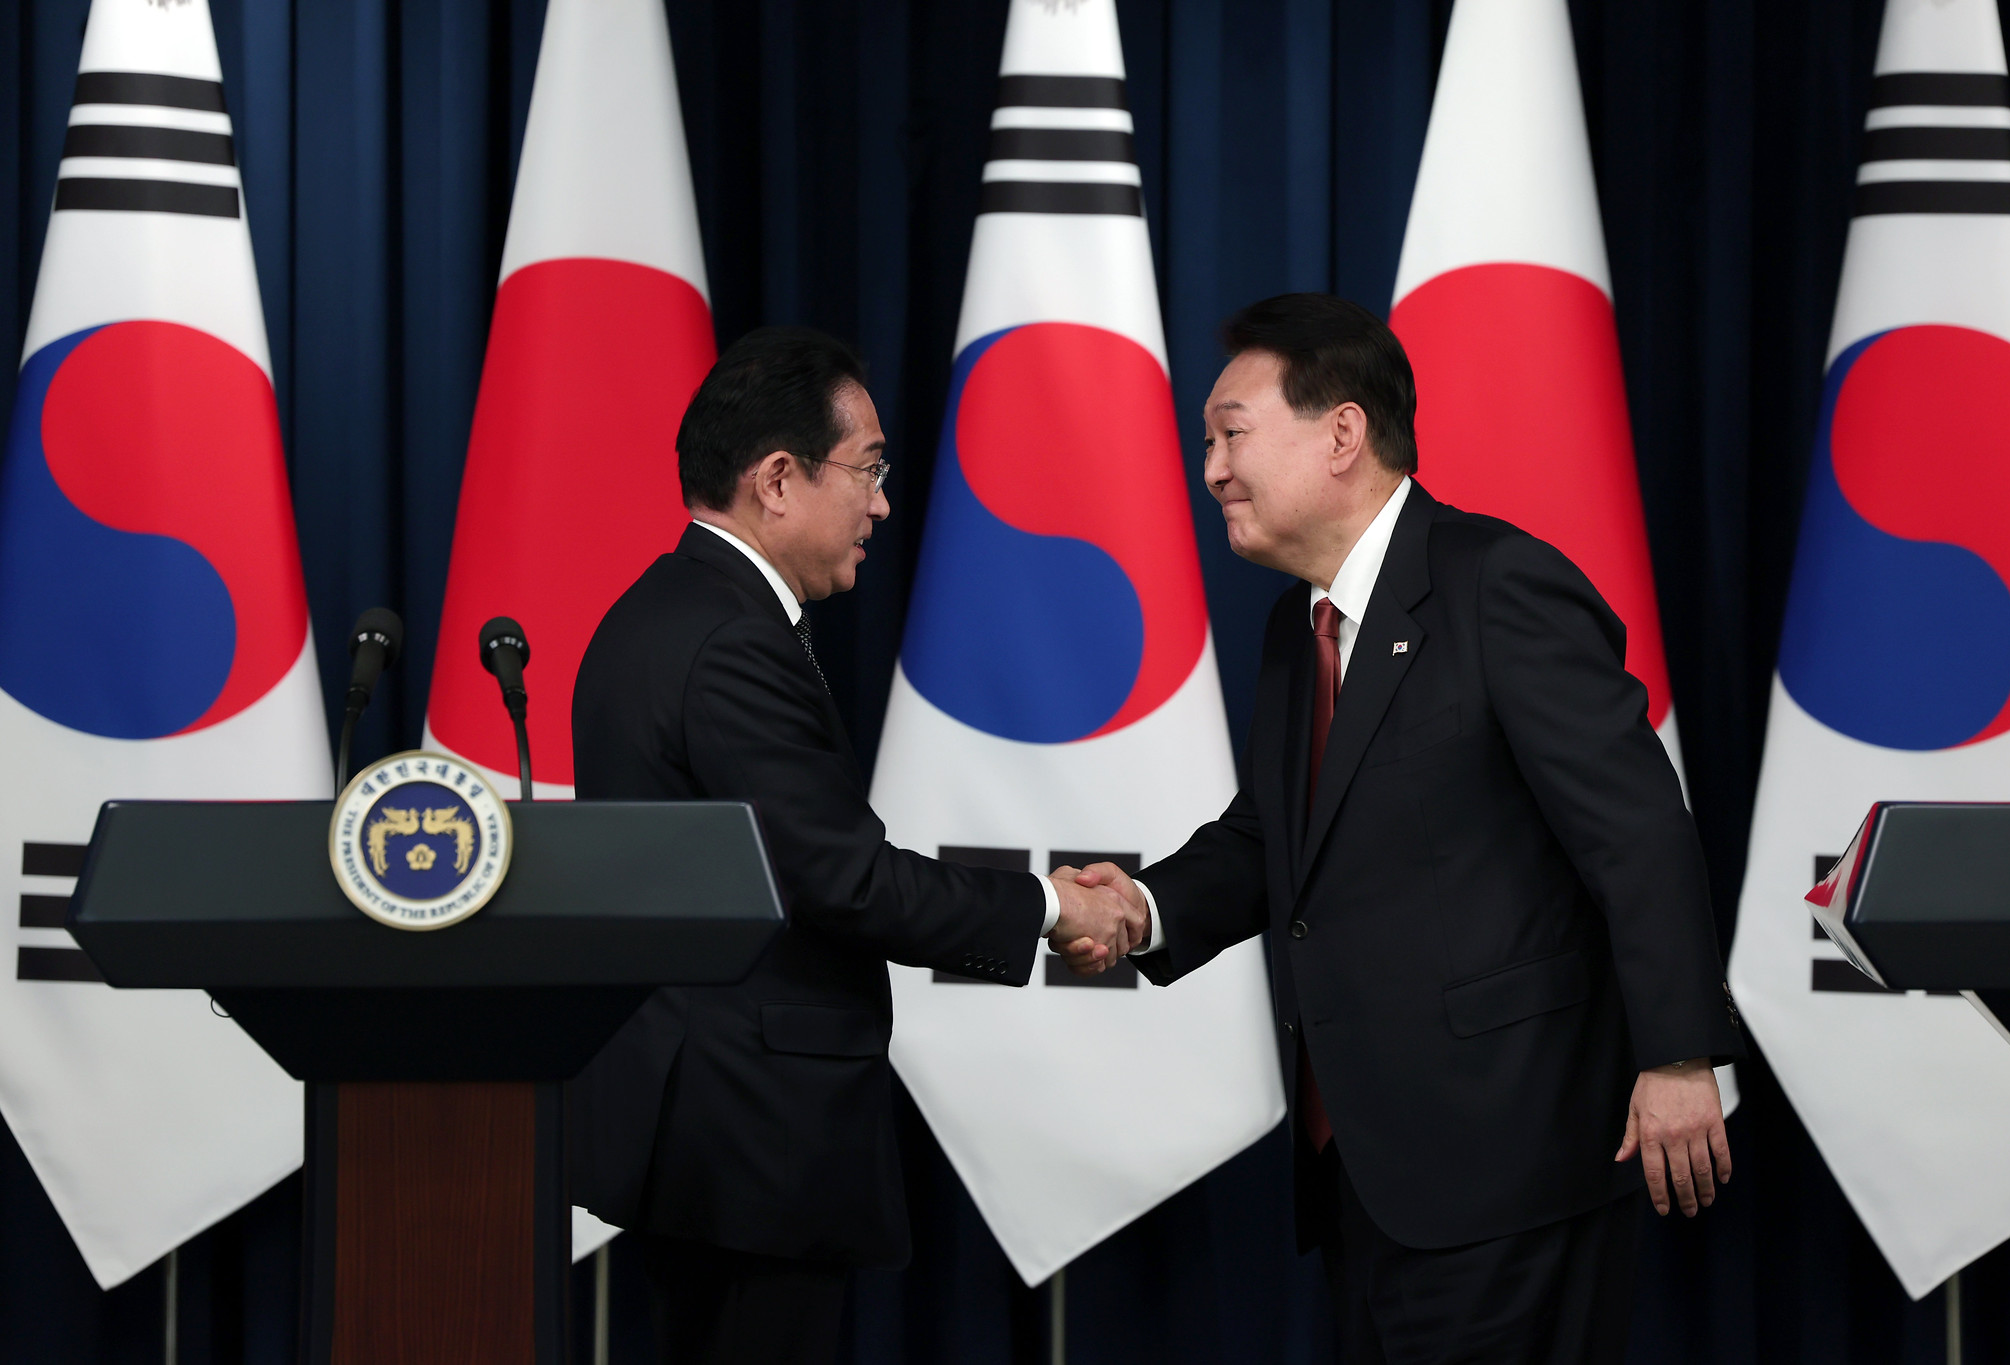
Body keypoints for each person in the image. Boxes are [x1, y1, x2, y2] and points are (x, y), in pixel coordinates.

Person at [1061, 293, 1744, 1363]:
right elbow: (1271, 837)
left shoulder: (1494, 585)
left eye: (1230, 434)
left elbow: (1636, 829)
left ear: (1341, 432)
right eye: (1207, 445)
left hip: (1509, 1165)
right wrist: (1140, 908)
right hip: (1368, 1180)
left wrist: (1677, 1055)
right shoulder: (1301, 627)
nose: (1211, 473)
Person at [568, 325, 1131, 1365]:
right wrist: (1054, 909)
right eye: (867, 469)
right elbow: (840, 879)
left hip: (694, 1129)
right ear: (777, 479)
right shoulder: (733, 639)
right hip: (747, 1140)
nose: (880, 502)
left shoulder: (651, 615)